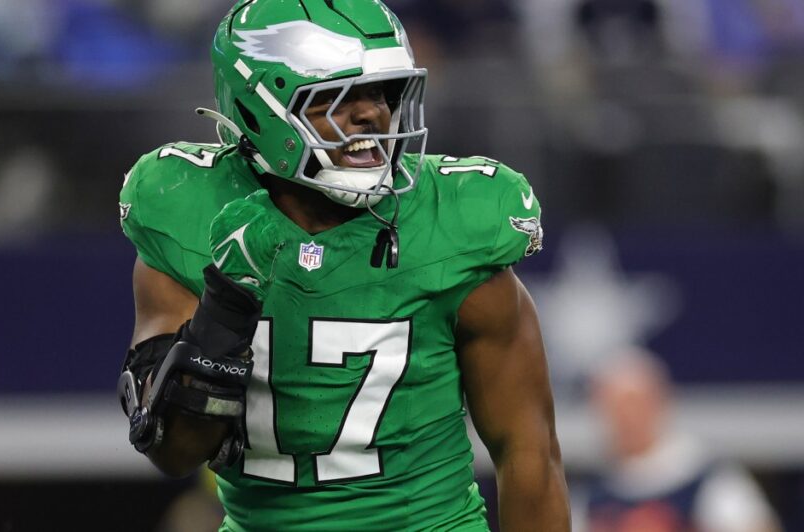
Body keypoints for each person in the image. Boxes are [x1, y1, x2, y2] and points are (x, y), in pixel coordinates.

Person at [117, 1, 570, 530]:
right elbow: (174, 452)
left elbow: (530, 452)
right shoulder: (187, 210)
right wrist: (227, 303)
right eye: (336, 96)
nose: (371, 113)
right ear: (261, 110)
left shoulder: (455, 222)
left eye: (381, 92)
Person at [574, 347, 782, 532]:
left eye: (632, 403)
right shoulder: (594, 494)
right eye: (613, 407)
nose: (625, 417)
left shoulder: (707, 478)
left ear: (658, 401)